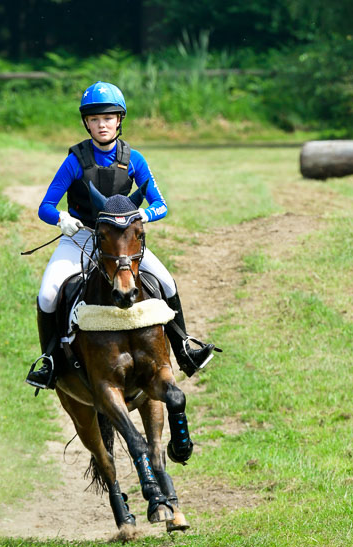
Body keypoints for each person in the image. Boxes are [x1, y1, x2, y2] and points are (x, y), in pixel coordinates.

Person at [26, 81, 214, 390]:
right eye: (95, 119)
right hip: (83, 237)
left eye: (108, 118)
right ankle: (50, 361)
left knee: (166, 281)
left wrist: (143, 215)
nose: (102, 125)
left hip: (123, 243)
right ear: (86, 123)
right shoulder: (74, 161)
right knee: (48, 293)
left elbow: (160, 204)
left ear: (119, 120)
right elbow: (45, 206)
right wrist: (62, 219)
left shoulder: (134, 159)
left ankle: (183, 348)